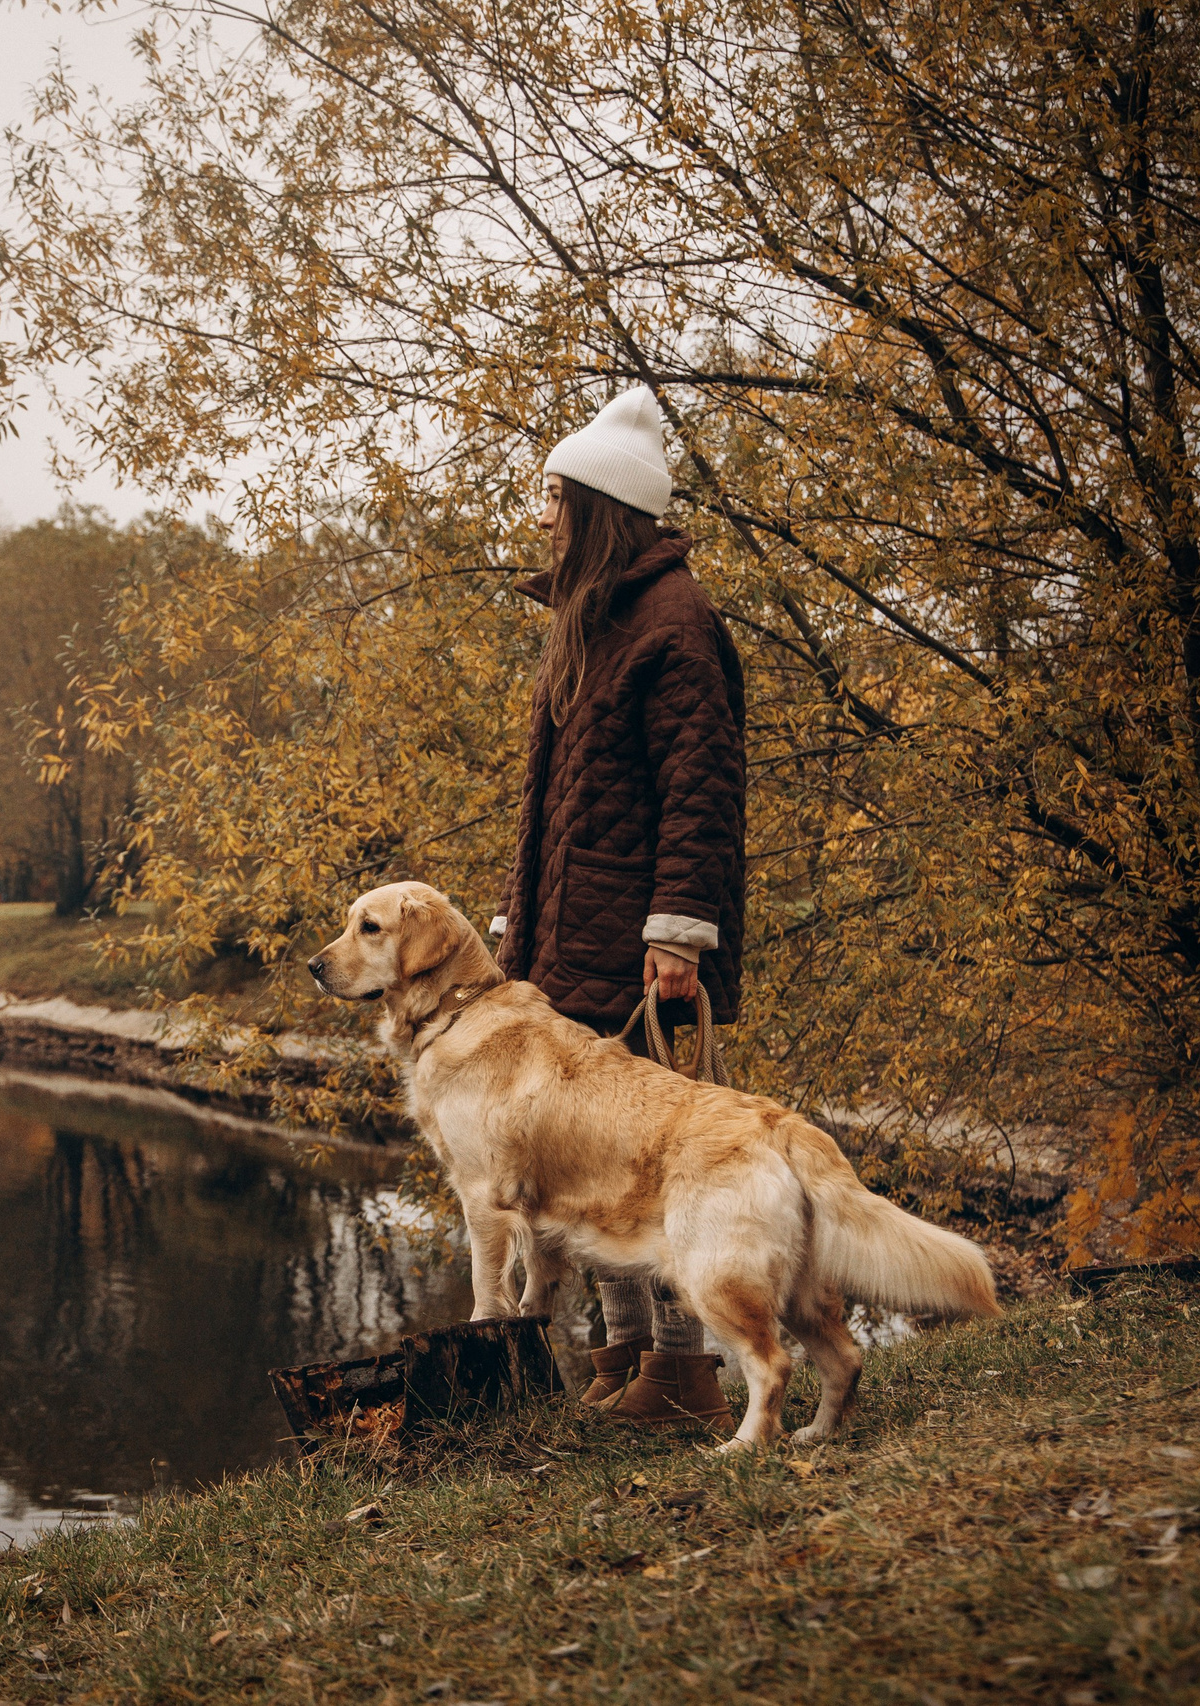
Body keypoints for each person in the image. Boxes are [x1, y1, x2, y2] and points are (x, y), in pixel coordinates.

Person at [488, 385, 747, 1434]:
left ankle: (686, 1373)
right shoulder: (589, 619)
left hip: (640, 949)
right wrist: (517, 926)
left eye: (554, 494)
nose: (542, 512)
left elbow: (700, 789)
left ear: (598, 502)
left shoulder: (675, 621)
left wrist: (676, 933)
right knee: (585, 1165)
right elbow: (550, 802)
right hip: (569, 941)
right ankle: (626, 1350)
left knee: (655, 1167)